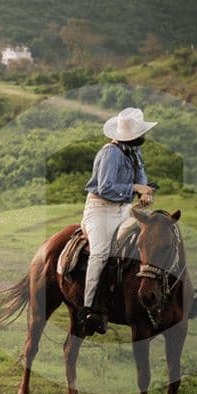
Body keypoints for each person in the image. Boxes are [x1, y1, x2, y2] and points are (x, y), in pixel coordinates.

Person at [81, 107, 156, 335]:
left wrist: (145, 194)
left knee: (156, 236)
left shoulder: (134, 152)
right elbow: (105, 188)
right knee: (101, 253)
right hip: (100, 210)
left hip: (123, 210)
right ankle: (89, 308)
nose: (143, 135)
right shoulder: (110, 153)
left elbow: (140, 180)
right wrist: (134, 188)